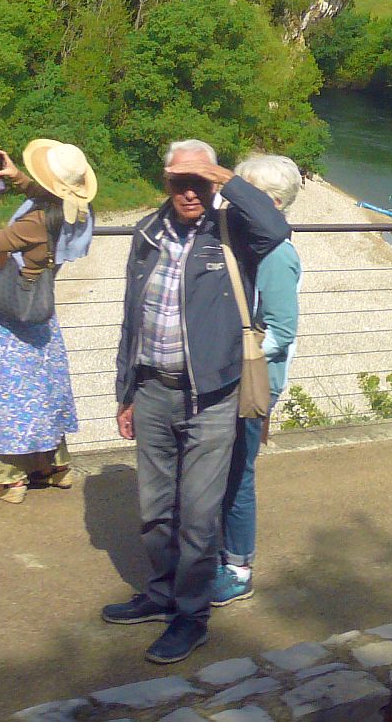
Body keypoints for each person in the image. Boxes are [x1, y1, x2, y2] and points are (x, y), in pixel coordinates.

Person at [100, 139, 291, 664]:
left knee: (198, 515)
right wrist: (126, 393)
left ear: (211, 183)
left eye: (199, 182)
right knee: (155, 511)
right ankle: (161, 596)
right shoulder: (146, 234)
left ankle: (191, 616)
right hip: (153, 390)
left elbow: (278, 229)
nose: (189, 192)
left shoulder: (232, 231)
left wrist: (223, 178)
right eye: (179, 181)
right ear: (164, 182)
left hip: (211, 398)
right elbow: (131, 320)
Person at [0, 139, 97, 502]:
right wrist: (19, 179)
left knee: (7, 391)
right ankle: (51, 465)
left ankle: (7, 477)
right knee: (43, 388)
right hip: (42, 306)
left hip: (14, 313)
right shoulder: (77, 212)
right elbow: (53, 198)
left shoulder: (35, 221)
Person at [213, 153, 304, 607]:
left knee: (237, 473)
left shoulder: (277, 256)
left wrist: (229, 357)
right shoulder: (248, 245)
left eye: (244, 193)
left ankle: (237, 566)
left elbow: (282, 332)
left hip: (253, 381)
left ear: (268, 202)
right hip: (237, 376)